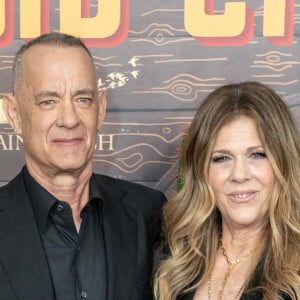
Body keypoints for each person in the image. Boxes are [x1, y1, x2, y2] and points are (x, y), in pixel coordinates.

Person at [0, 32, 166, 300]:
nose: (69, 119)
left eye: (82, 99)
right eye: (48, 102)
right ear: (15, 115)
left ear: (100, 109)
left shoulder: (149, 212)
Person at [154, 82, 300, 300]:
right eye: (222, 158)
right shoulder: (173, 254)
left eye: (257, 155)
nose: (239, 175)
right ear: (202, 171)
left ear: (283, 162)